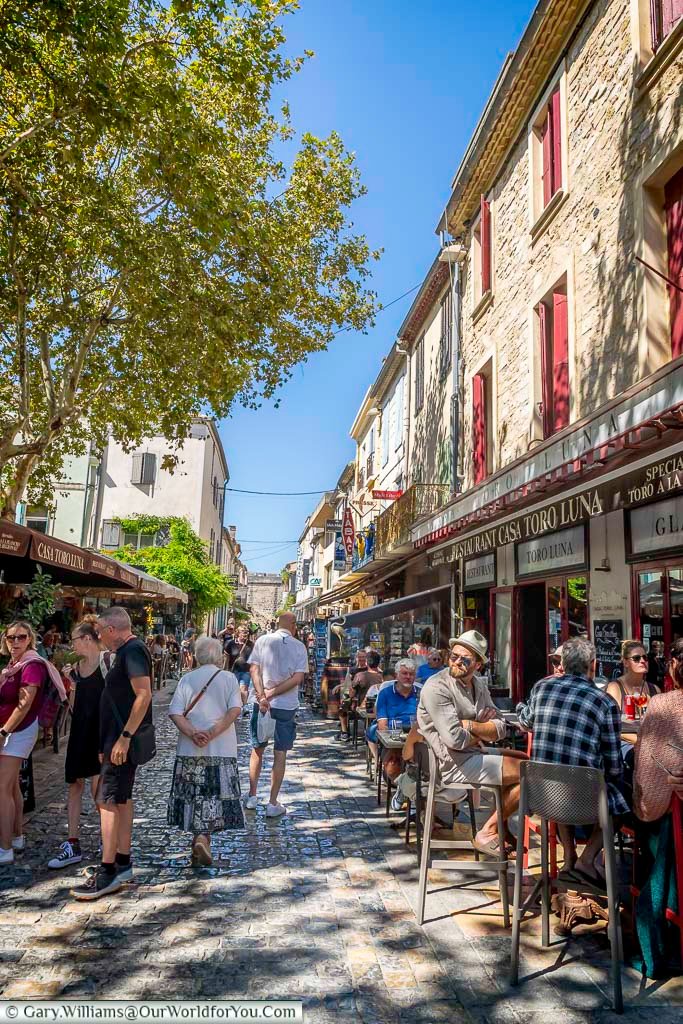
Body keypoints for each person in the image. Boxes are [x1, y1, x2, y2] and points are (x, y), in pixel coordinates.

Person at [517, 635, 627, 883]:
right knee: (621, 799)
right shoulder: (604, 702)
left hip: (542, 797)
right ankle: (586, 859)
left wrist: (518, 710)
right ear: (593, 665)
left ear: (563, 664)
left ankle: (568, 856)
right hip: (584, 801)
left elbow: (525, 722)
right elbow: (613, 764)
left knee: (560, 776)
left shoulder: (542, 687)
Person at [71, 607, 153, 901]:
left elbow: (144, 694)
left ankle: (107, 872)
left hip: (119, 743)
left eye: (101, 633)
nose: (99, 639)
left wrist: (125, 738)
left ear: (111, 630)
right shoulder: (130, 651)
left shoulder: (132, 651)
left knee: (107, 801)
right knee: (121, 800)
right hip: (113, 741)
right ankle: (121, 861)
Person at [418, 631, 523, 858]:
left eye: (464, 659)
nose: (456, 662)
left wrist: (471, 726)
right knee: (530, 773)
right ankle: (489, 831)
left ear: (477, 664)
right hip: (452, 763)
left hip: (474, 753)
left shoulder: (478, 685)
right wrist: (483, 728)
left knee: (526, 760)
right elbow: (455, 740)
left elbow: (502, 726)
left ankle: (501, 828)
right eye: (453, 656)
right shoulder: (437, 687)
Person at [168, 635, 244, 865]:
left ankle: (198, 840)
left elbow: (175, 712)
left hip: (190, 749)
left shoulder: (187, 679)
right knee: (212, 795)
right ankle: (203, 838)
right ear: (219, 656)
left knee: (193, 795)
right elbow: (234, 711)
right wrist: (212, 732)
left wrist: (193, 733)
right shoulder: (229, 679)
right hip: (221, 748)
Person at [0, 621, 66, 865]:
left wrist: (4, 731)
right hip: (11, 730)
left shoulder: (31, 664)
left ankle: (4, 848)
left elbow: (25, 703)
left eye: (21, 637)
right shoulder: (14, 665)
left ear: (30, 639)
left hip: (16, 731)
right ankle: (15, 837)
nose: (15, 641)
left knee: (2, 789)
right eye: (10, 638)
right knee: (11, 786)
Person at [48, 618, 107, 870]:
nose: (71, 644)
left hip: (101, 733)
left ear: (86, 639)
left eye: (73, 639)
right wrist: (69, 684)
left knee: (99, 790)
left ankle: (108, 839)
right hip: (80, 732)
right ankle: (73, 842)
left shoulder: (107, 664)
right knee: (74, 784)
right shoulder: (75, 669)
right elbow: (74, 708)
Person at [245, 612, 308, 817]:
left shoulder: (262, 641)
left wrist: (263, 695)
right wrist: (273, 693)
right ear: (293, 625)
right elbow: (297, 678)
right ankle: (272, 802)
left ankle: (252, 796)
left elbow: (254, 670)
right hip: (286, 706)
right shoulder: (299, 647)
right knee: (280, 753)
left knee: (257, 749)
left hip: (262, 705)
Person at [366, 658, 421, 783]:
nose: (408, 677)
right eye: (404, 673)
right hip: (394, 735)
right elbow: (382, 725)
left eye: (411, 674)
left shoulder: (421, 693)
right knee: (393, 766)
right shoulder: (386, 693)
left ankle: (410, 783)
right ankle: (400, 783)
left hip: (417, 737)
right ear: (397, 675)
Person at [334, 649, 369, 742]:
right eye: (360, 657)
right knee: (343, 707)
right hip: (353, 694)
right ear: (357, 658)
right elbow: (347, 683)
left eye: (363, 657)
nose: (362, 659)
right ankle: (344, 732)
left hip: (364, 695)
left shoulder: (369, 669)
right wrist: (339, 685)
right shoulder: (353, 669)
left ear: (367, 658)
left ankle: (367, 732)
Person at [224, 624, 253, 705]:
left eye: (246, 633)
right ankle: (233, 706)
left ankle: (243, 708)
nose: (245, 634)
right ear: (238, 633)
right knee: (234, 690)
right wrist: (225, 670)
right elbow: (226, 657)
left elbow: (254, 659)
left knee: (243, 690)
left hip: (246, 671)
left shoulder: (251, 644)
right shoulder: (231, 643)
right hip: (234, 671)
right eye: (243, 632)